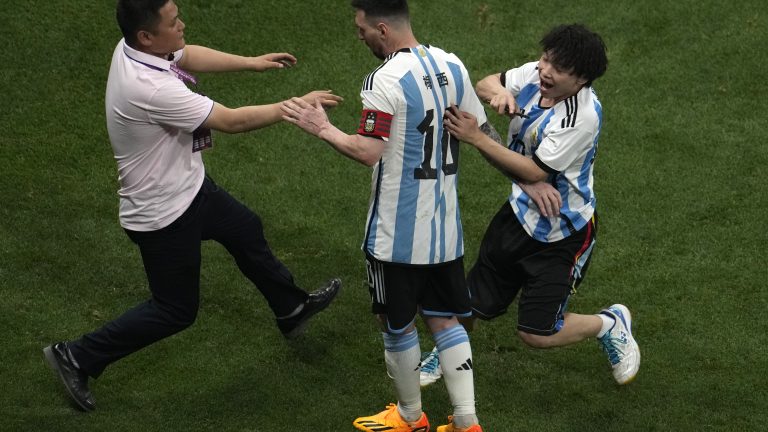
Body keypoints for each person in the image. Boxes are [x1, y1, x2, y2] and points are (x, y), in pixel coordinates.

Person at [43, 0, 343, 412]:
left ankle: (290, 307)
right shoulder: (150, 88)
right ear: (147, 36)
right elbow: (233, 121)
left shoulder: (133, 46)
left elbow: (185, 53)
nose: (182, 25)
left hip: (189, 187)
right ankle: (76, 356)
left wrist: (252, 63)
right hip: (162, 215)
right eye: (173, 22)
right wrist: (295, 107)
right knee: (174, 310)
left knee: (245, 228)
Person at [281, 2, 493, 431]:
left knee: (395, 322)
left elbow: (367, 150)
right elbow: (481, 130)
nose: (359, 37)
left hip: (396, 234)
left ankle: (410, 418)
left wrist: (321, 127)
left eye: (361, 30)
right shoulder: (453, 64)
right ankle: (467, 422)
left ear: (382, 28)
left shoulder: (385, 79)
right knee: (445, 318)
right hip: (445, 230)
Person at [422, 23, 640, 388]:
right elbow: (487, 82)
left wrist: (477, 136)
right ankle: (449, 351)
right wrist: (499, 95)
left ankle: (609, 323)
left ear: (583, 79)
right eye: (545, 59)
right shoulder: (537, 74)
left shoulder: (580, 118)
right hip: (519, 215)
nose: (545, 71)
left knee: (536, 333)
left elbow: (534, 170)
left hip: (562, 233)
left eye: (559, 68)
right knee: (471, 303)